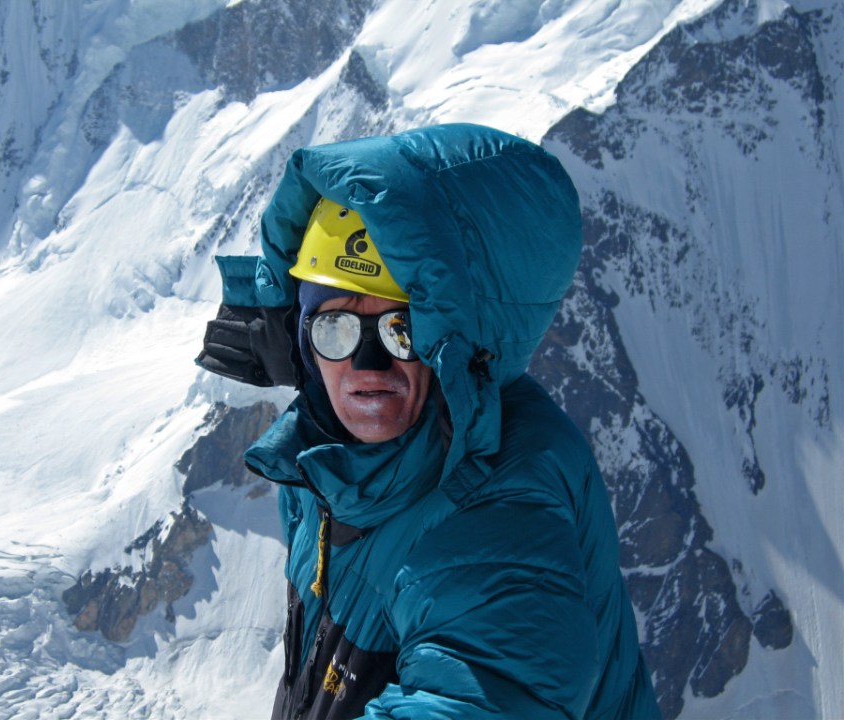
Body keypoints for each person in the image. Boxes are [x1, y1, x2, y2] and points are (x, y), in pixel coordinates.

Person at [197, 123, 660, 719]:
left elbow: (482, 695)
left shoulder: (496, 507)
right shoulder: (325, 452)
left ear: (450, 344)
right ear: (303, 338)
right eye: (335, 327)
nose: (365, 367)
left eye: (402, 331)